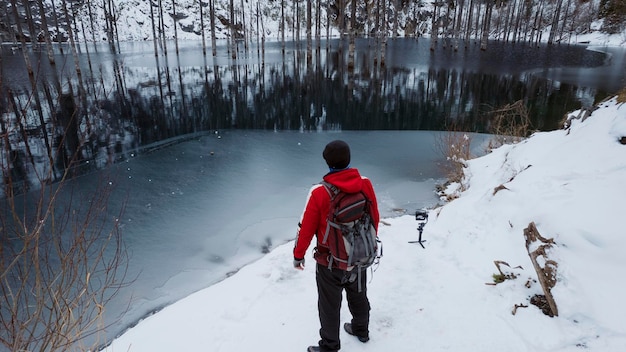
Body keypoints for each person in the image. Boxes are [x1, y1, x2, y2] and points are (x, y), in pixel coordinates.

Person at [293, 140, 380, 352]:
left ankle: (329, 346)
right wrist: (363, 245)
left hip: (329, 261)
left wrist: (298, 255)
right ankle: (361, 330)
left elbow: (306, 229)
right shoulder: (365, 183)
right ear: (348, 159)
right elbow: (374, 217)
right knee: (359, 294)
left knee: (329, 305)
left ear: (327, 162)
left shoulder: (320, 192)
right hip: (359, 255)